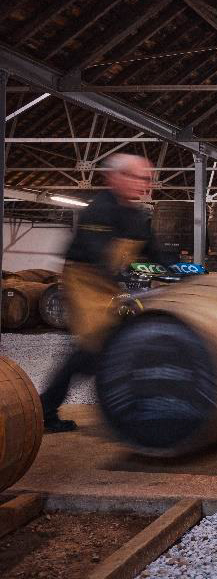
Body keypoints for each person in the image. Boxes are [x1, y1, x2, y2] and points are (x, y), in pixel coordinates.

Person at [41, 153, 173, 432]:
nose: (144, 184)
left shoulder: (137, 215)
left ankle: (59, 407)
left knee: (100, 349)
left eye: (147, 179)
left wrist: (177, 273)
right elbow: (96, 252)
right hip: (84, 282)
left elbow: (153, 249)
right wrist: (124, 282)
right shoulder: (98, 209)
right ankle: (46, 410)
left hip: (107, 283)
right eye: (138, 177)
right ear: (115, 177)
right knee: (93, 346)